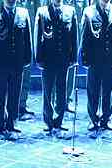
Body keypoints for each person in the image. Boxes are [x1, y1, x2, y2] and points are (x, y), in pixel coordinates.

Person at [0, 0, 32, 135]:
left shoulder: (23, 14)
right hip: (0, 61)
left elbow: (27, 38)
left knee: (15, 93)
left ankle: (12, 121)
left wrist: (28, 57)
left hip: (17, 61)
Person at [80, 0, 112, 131]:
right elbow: (85, 36)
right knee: (93, 91)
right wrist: (84, 58)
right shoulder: (89, 11)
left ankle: (106, 119)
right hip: (94, 58)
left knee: (108, 91)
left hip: (111, 58)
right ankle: (93, 119)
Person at [34, 0, 77, 133]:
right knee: (47, 90)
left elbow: (74, 36)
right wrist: (38, 58)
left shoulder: (70, 11)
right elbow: (38, 36)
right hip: (48, 58)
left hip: (63, 57)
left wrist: (73, 57)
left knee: (61, 90)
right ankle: (48, 121)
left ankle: (59, 120)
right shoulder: (43, 12)